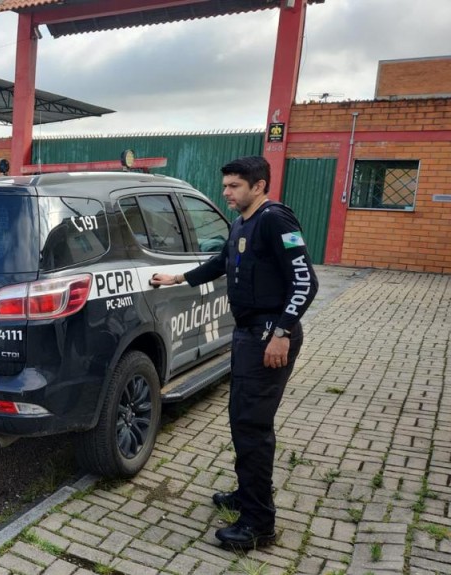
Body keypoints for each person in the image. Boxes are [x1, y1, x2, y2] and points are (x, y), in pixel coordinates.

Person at [151, 156, 318, 552]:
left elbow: (305, 282)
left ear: (258, 186)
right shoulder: (243, 222)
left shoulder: (276, 220)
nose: (225, 192)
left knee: (253, 428)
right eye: (225, 185)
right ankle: (247, 495)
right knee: (242, 421)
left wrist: (282, 332)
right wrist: (178, 277)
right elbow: (223, 262)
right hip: (247, 336)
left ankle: (259, 524)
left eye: (234, 186)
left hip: (269, 337)